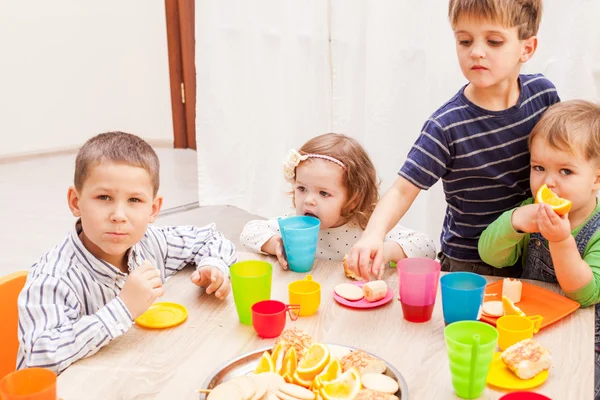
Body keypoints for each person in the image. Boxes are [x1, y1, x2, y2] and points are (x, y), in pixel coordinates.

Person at [347, 0, 560, 281]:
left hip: (532, 250)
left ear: (527, 48)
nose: (477, 52)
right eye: (464, 41)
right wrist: (373, 235)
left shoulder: (542, 95)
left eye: (494, 41)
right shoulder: (446, 126)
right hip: (472, 264)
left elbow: (567, 154)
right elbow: (401, 191)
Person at [16, 131, 236, 374]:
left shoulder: (150, 243)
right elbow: (40, 357)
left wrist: (213, 266)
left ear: (153, 209)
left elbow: (209, 238)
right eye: (104, 197)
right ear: (76, 202)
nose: (119, 215)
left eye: (134, 200)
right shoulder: (53, 279)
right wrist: (124, 308)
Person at [478, 100, 600, 398]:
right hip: (531, 329)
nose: (549, 182)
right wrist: (515, 222)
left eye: (566, 172)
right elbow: (490, 255)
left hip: (584, 341)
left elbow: (585, 293)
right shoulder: (531, 210)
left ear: (597, 179)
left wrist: (560, 241)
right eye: (539, 167)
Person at [241, 133, 436, 274]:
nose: (308, 200)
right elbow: (249, 231)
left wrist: (386, 251)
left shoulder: (368, 229)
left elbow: (427, 248)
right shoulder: (292, 227)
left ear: (353, 200)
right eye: (302, 189)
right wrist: (275, 244)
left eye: (324, 193)